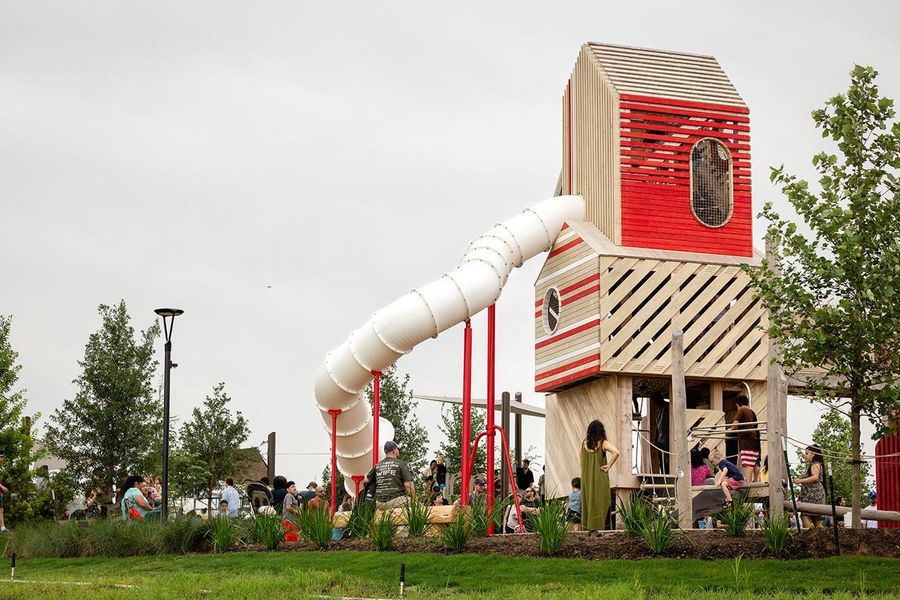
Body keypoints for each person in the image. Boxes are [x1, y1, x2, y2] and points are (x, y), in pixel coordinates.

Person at [580, 420, 620, 531]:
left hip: (586, 479)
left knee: (588, 503)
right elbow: (616, 452)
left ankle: (587, 529)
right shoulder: (603, 443)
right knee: (602, 502)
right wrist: (608, 466)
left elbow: (581, 462)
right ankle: (601, 529)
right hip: (600, 479)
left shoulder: (583, 443)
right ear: (601, 431)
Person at [792, 444, 826, 528]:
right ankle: (819, 537)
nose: (805, 455)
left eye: (807, 453)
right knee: (816, 519)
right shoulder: (814, 465)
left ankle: (809, 536)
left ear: (813, 454)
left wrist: (799, 481)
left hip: (813, 494)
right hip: (814, 494)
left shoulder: (815, 464)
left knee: (804, 515)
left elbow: (815, 477)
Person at [374, 441, 414, 509]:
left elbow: (367, 479)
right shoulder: (400, 463)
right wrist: (414, 499)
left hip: (379, 503)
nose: (398, 450)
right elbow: (408, 486)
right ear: (394, 451)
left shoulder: (377, 465)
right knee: (420, 508)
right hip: (396, 500)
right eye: (397, 449)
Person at [729, 395, 760, 481]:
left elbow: (735, 424)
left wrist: (730, 430)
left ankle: (748, 483)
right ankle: (754, 481)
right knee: (754, 462)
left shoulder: (742, 410)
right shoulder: (751, 412)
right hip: (754, 440)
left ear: (737, 404)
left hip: (746, 440)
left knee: (748, 463)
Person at [0, 453, 7, 531]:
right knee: (0, 509)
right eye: (1, 457)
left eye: (3, 457)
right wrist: (2, 487)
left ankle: (2, 527)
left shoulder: (1, 467)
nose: (3, 458)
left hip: (0, 491)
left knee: (1, 509)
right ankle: (2, 528)